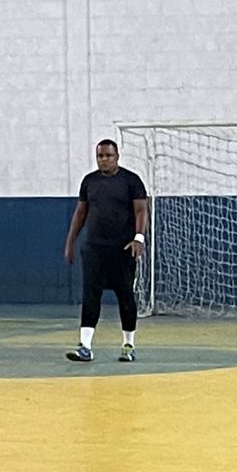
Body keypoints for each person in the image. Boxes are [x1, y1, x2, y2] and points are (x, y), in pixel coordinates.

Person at [65, 139, 148, 363]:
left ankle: (128, 345)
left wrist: (138, 238)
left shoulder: (131, 181)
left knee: (125, 297)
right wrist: (70, 242)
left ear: (117, 156)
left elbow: (141, 211)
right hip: (94, 249)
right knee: (90, 296)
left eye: (108, 155)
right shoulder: (89, 181)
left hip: (122, 250)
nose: (104, 159)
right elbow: (80, 213)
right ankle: (85, 346)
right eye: (100, 156)